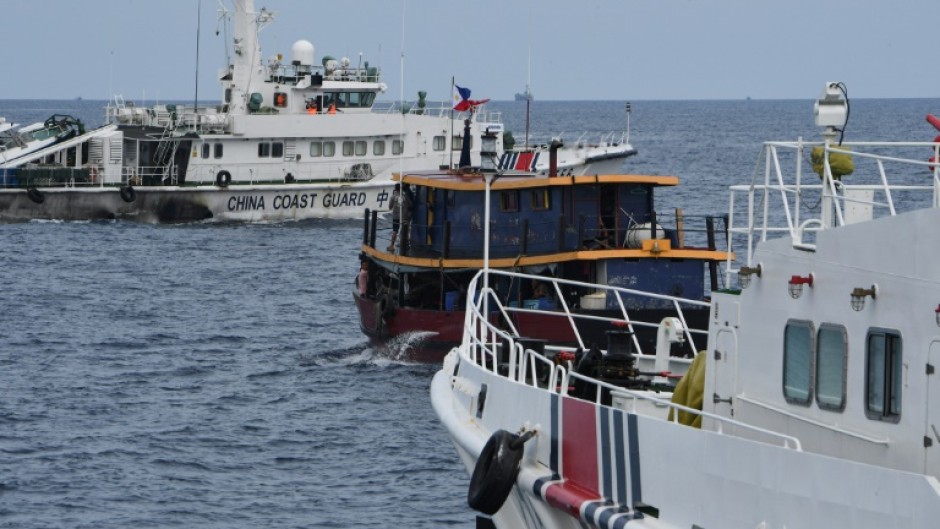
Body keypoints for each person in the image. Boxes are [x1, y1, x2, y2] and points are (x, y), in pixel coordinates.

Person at [388, 184, 413, 252]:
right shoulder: (405, 196)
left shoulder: (393, 197)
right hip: (404, 216)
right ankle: (406, 245)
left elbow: (390, 207)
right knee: (405, 231)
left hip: (396, 216)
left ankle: (392, 245)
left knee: (395, 231)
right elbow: (410, 205)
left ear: (395, 189)